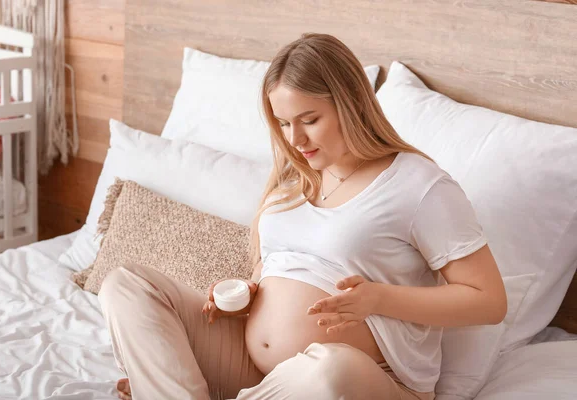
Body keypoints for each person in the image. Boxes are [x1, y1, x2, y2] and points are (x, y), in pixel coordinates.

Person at [99, 33, 508, 400]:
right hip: (253, 370)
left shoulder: (419, 185)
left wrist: (379, 299)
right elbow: (274, 268)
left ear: (350, 104)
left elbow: (489, 302)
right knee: (126, 283)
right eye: (283, 123)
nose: (295, 139)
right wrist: (248, 293)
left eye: (309, 120)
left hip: (363, 381)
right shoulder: (292, 179)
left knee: (331, 369)